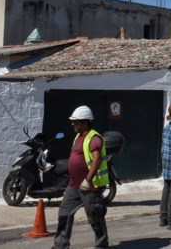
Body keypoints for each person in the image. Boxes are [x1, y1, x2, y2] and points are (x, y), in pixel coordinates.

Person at [53, 105, 110, 249]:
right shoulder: (79, 136)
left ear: (85, 122)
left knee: (94, 216)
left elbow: (97, 160)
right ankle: (61, 244)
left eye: (76, 122)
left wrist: (88, 180)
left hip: (89, 186)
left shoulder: (94, 138)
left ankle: (102, 244)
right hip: (74, 185)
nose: (73, 124)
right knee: (64, 213)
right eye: (73, 122)